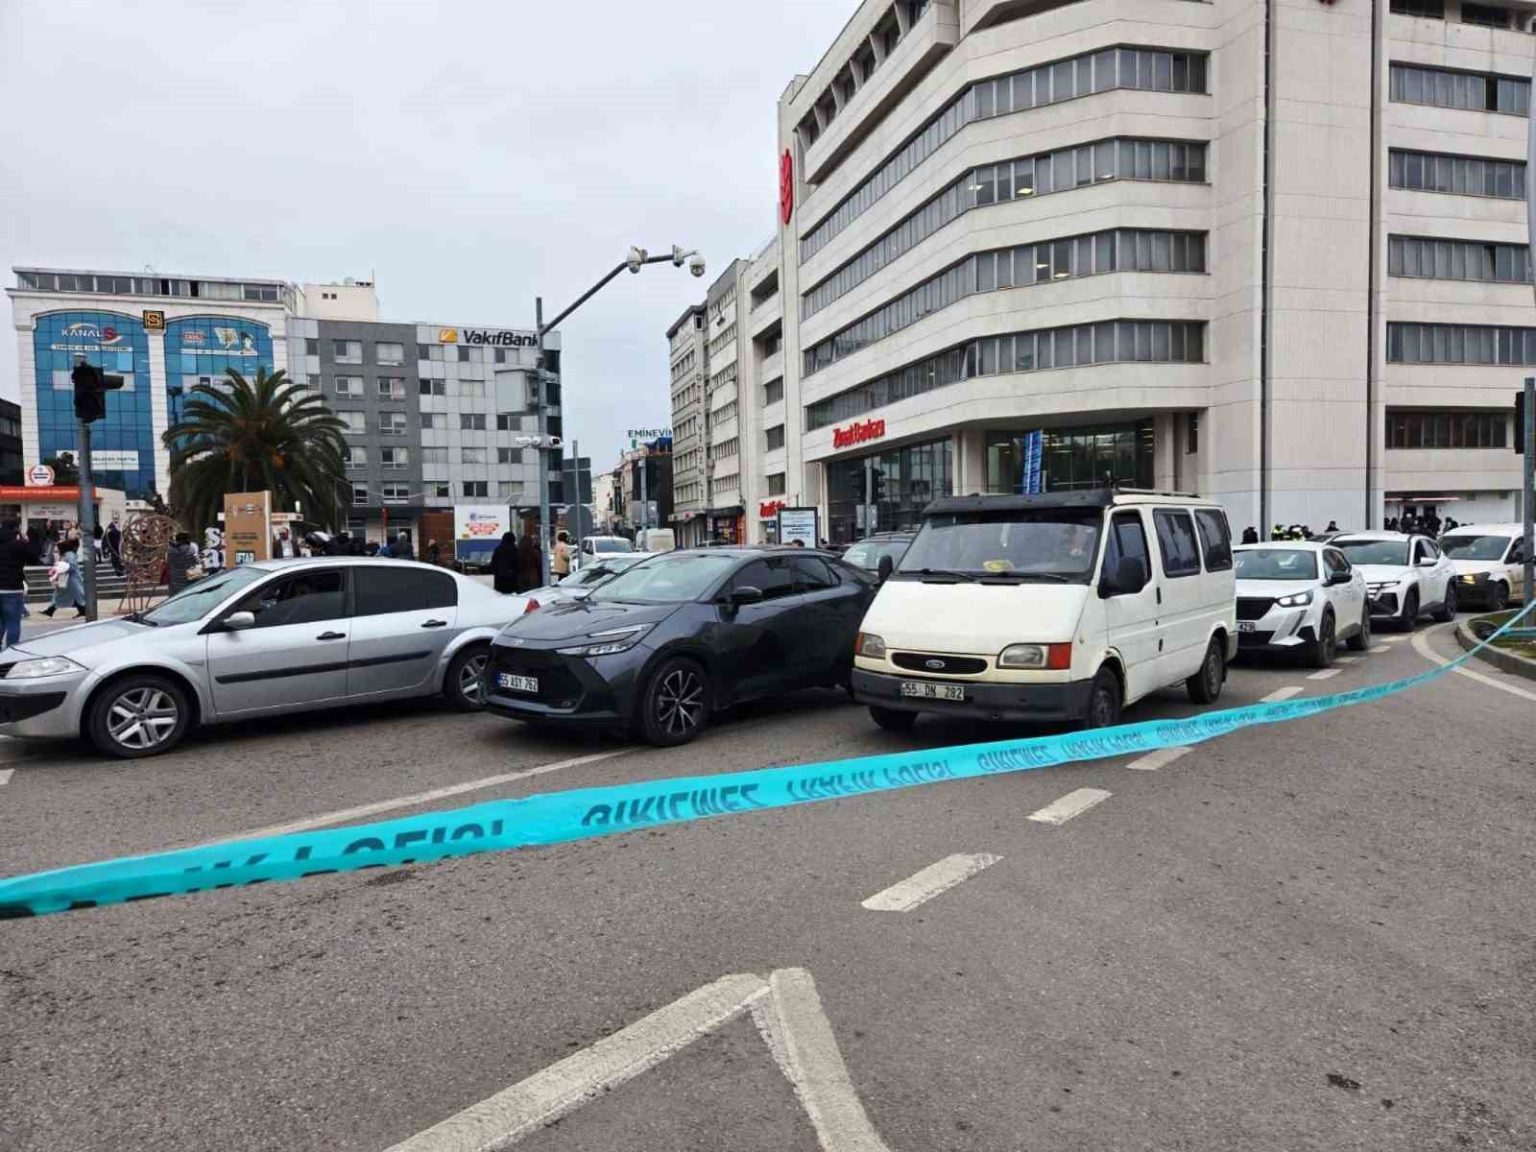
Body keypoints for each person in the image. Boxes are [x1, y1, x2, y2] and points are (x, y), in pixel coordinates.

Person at [0, 519, 40, 648]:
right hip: (13, 588)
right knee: (13, 622)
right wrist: (28, 540)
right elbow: (34, 558)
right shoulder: (18, 545)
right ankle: (11, 650)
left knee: (1, 621)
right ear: (17, 529)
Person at [43, 537, 88, 619]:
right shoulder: (66, 555)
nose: (57, 551)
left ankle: (50, 610)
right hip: (66, 578)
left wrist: (62, 568)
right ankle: (50, 610)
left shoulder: (69, 555)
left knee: (68, 595)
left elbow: (71, 566)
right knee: (63, 594)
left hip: (71, 579)